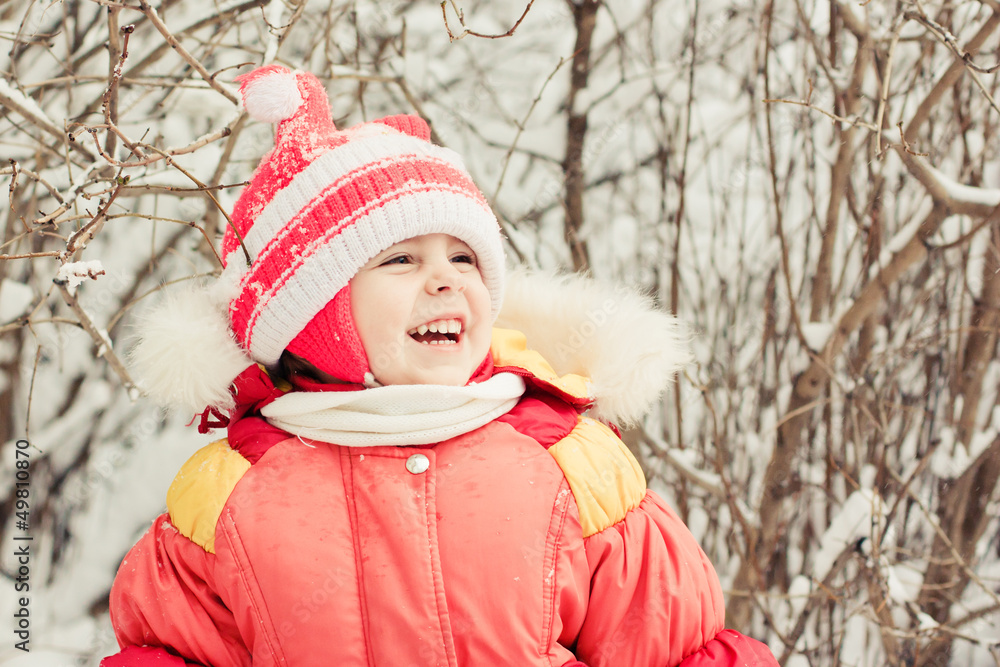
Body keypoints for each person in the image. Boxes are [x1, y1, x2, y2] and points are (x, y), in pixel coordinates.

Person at [102, 65, 778, 667]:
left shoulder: (570, 464)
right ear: (309, 311)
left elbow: (674, 650)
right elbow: (169, 650)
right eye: (400, 259)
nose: (445, 281)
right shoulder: (231, 493)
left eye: (464, 258)